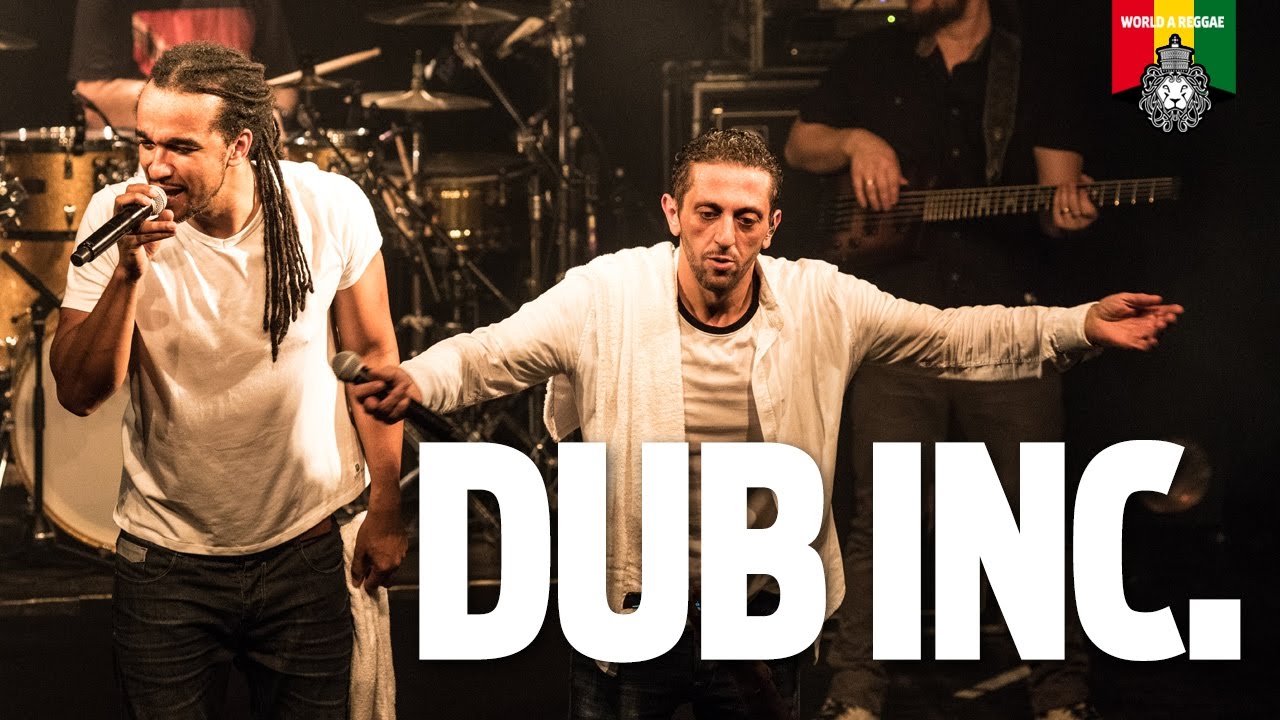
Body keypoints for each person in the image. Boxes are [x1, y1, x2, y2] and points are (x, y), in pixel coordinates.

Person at [348, 128, 1180, 720]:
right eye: (707, 212)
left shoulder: (822, 299)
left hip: (762, 611)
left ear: (772, 226)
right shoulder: (604, 294)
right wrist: (415, 378)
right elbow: (492, 354)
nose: (724, 236)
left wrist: (1078, 324)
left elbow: (951, 336)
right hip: (630, 607)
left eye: (746, 219)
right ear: (672, 211)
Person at [50, 41, 404, 718]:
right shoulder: (112, 216)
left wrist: (386, 501)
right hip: (166, 563)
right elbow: (79, 391)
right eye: (145, 142)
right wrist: (128, 273)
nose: (155, 165)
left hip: (306, 551)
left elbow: (374, 355)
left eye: (180, 146)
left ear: (239, 145)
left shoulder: (329, 206)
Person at [784, 1, 1102, 719]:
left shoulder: (1035, 68)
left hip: (1008, 325)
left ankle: (1060, 694)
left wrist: (1067, 214)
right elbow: (799, 146)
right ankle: (856, 694)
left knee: (1032, 519)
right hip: (898, 324)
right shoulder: (873, 57)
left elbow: (1055, 198)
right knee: (883, 519)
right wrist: (856, 142)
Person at [68, 0, 298, 130]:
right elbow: (93, 101)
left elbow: (284, 87)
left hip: (235, 159)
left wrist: (271, 114)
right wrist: (220, 108)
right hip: (147, 159)